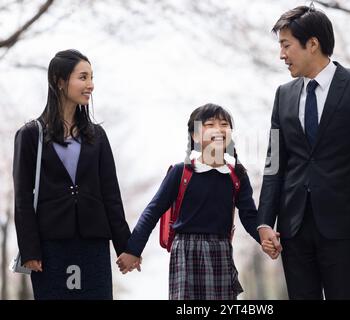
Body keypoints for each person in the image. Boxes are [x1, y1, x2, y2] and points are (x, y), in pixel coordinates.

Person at [257, 5, 350, 299]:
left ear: (312, 44)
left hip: (344, 225)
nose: (281, 54)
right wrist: (265, 221)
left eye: (286, 45)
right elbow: (274, 163)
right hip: (293, 227)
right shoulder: (284, 95)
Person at [117, 103, 269, 300]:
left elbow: (249, 216)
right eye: (210, 124)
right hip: (186, 252)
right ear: (195, 136)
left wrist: (265, 239)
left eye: (224, 124)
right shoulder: (181, 172)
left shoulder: (237, 175)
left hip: (221, 250)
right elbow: (152, 212)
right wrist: (133, 250)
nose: (219, 129)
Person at [13, 49, 131, 299]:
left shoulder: (97, 136)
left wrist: (126, 247)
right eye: (83, 77)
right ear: (60, 80)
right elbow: (23, 197)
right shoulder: (31, 134)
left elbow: (111, 195)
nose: (91, 85)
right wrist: (30, 250)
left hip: (93, 244)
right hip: (50, 246)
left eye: (91, 77)